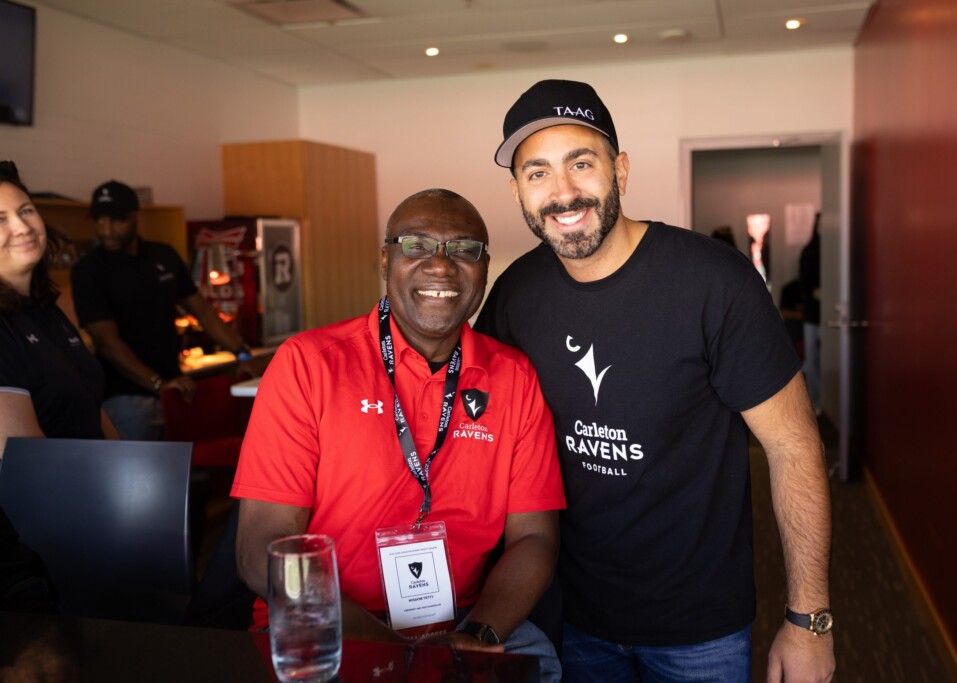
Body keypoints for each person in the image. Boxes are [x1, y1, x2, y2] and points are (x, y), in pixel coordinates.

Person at [476, 79, 835, 682]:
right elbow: (481, 430)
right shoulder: (516, 293)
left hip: (701, 630)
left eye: (581, 164)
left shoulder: (714, 283)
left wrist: (809, 621)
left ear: (620, 170)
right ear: (516, 189)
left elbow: (794, 448)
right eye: (536, 173)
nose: (562, 193)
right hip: (575, 618)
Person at [232, 189, 566, 680]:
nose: (441, 265)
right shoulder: (309, 364)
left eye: (464, 250)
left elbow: (535, 537)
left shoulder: (514, 377)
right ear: (385, 259)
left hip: (464, 625)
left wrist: (476, 638)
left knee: (545, 668)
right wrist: (396, 656)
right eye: (416, 245)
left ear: (486, 268)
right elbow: (262, 545)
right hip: (331, 628)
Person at [71, 180, 256, 440]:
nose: (107, 230)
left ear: (136, 217)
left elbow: (202, 311)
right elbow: (106, 341)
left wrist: (243, 355)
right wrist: (157, 383)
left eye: (116, 221)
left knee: (185, 474)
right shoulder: (88, 271)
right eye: (99, 221)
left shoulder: (163, 256)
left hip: (176, 389)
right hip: (126, 397)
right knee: (136, 478)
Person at [0, 161, 118, 455]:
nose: (22, 227)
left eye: (26, 211)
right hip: (57, 498)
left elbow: (90, 407)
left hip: (96, 486)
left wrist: (125, 470)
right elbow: (24, 463)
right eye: (0, 219)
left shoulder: (45, 309)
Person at [799, 213, 822, 413]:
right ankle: (814, 400)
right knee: (812, 358)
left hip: (830, 313)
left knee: (828, 359)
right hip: (813, 314)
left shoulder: (836, 250)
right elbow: (805, 285)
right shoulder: (809, 252)